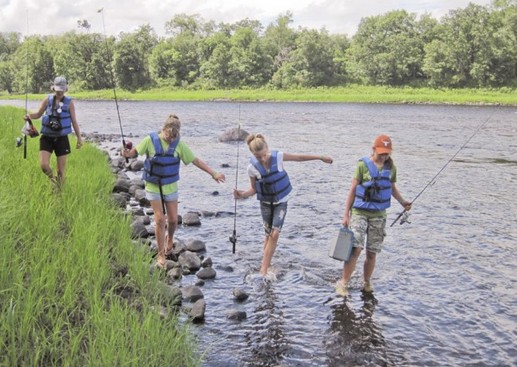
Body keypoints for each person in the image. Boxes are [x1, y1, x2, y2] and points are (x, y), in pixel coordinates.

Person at [122, 114, 225, 268]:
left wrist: (213, 173)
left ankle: (169, 239)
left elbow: (195, 160)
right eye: (168, 136)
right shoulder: (150, 140)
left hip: (170, 185)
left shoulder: (179, 145)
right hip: (153, 184)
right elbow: (133, 153)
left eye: (173, 137)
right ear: (163, 130)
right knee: (159, 219)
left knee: (172, 220)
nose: (170, 139)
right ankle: (161, 255)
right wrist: (126, 153)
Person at [234, 133, 333, 277]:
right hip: (266, 203)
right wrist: (241, 194)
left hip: (281, 201)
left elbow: (298, 158)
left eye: (263, 155)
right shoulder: (252, 168)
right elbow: (254, 190)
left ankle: (263, 269)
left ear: (267, 148)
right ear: (252, 154)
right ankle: (267, 263)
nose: (261, 159)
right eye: (257, 157)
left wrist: (320, 157)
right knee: (268, 235)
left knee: (275, 234)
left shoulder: (278, 157)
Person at [336, 134, 411, 296]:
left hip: (379, 214)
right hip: (359, 212)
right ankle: (343, 283)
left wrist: (403, 202)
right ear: (374, 150)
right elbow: (353, 190)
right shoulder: (363, 165)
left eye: (387, 153)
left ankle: (367, 282)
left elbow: (391, 189)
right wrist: (346, 214)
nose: (384, 156)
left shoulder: (391, 168)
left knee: (371, 252)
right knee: (356, 248)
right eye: (381, 153)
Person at [24, 76, 83, 187]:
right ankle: (53, 179)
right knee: (44, 165)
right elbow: (38, 114)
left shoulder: (69, 103)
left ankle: (59, 192)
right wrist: (29, 116)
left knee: (61, 171)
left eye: (62, 89)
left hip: (62, 139)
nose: (59, 92)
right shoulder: (47, 100)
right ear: (53, 88)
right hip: (47, 137)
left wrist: (79, 138)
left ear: (65, 89)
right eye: (57, 89)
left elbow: (74, 121)